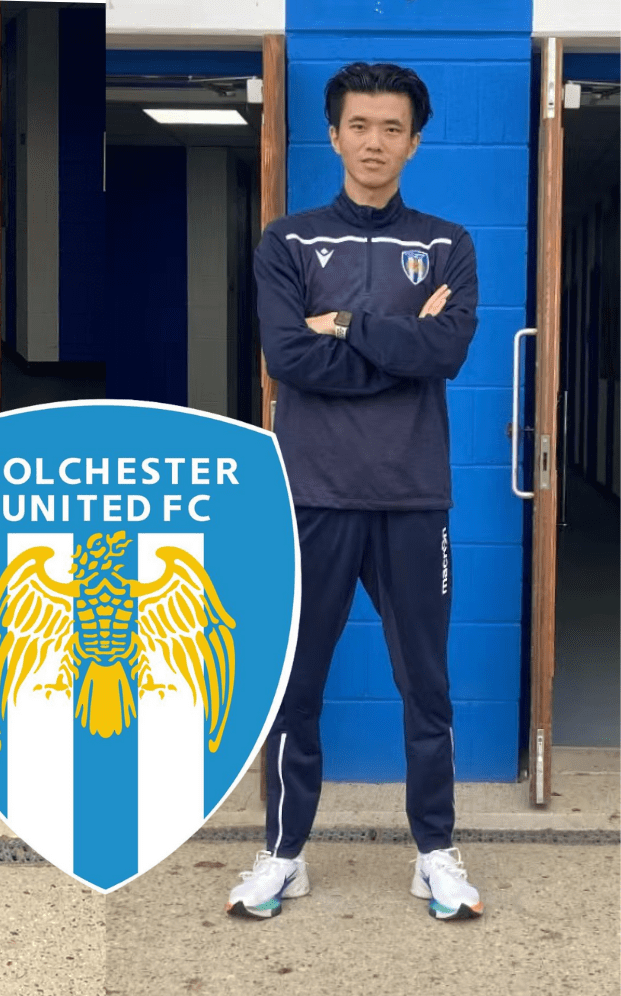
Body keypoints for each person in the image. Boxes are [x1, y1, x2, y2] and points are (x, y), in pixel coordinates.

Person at [227, 62, 484, 922]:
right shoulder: (288, 241)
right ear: (334, 135)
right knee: (297, 683)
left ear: (415, 139)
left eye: (393, 128)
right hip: (314, 494)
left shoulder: (446, 242)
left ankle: (435, 852)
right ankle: (283, 852)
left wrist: (346, 326)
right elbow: (288, 361)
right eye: (360, 126)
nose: (376, 142)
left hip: (414, 497)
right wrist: (399, 343)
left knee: (428, 688)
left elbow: (443, 355)